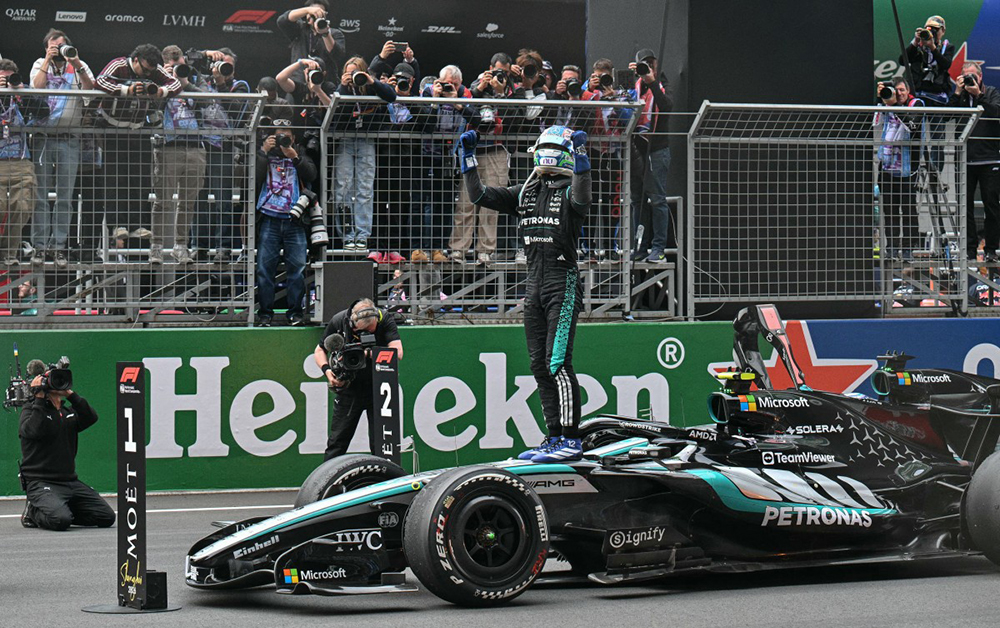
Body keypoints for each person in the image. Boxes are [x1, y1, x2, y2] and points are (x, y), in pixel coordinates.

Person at [460, 125, 591, 462]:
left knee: (557, 363)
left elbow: (583, 196)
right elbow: (479, 196)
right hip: (533, 286)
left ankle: (571, 440)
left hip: (563, 284)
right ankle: (554, 436)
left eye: (554, 148)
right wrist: (468, 159)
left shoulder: (571, 191)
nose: (548, 154)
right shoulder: (526, 192)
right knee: (538, 365)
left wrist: (582, 159)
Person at [94, 44, 182, 253]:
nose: (147, 75)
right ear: (135, 60)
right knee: (115, 178)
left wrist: (161, 91)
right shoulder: (118, 65)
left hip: (138, 129)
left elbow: (176, 83)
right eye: (145, 70)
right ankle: (117, 225)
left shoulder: (154, 70)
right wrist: (127, 90)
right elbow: (100, 81)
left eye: (151, 71)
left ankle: (138, 225)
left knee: (140, 178)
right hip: (112, 129)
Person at [19, 362, 115, 530]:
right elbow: (34, 430)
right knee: (60, 520)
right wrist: (39, 397)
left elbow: (91, 417)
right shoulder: (31, 410)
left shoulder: (67, 412)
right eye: (54, 380)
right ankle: (33, 512)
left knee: (106, 517)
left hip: (70, 481)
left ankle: (60, 509)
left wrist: (70, 395)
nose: (58, 383)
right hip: (40, 482)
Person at [29, 29, 95, 269]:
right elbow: (37, 88)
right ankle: (39, 246)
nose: (58, 50)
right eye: (53, 46)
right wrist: (48, 59)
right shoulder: (40, 64)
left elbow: (90, 91)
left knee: (65, 197)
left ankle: (58, 246)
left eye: (61, 45)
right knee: (40, 196)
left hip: (69, 138)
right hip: (43, 138)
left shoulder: (78, 65)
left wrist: (75, 63)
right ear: (46, 47)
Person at [314, 298, 403, 460]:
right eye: (364, 331)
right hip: (350, 387)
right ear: (354, 325)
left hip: (380, 387)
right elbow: (320, 350)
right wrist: (328, 372)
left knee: (382, 444)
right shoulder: (339, 320)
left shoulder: (385, 318)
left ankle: (385, 475)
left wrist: (369, 353)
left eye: (371, 329)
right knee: (337, 442)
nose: (368, 333)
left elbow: (398, 352)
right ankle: (330, 475)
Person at [451, 53, 518, 265]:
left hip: (497, 150)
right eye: (497, 71)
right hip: (473, 148)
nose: (500, 76)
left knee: (492, 203)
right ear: (489, 68)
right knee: (466, 202)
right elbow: (466, 105)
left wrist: (501, 93)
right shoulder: (476, 83)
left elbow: (515, 115)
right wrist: (482, 87)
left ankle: (485, 251)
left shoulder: (511, 89)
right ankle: (458, 250)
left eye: (504, 73)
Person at [411, 65, 480, 262]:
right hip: (425, 156)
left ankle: (438, 249)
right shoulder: (428, 92)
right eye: (447, 84)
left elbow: (477, 119)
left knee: (444, 205)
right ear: (439, 81)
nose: (450, 87)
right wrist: (435, 101)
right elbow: (426, 124)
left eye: (455, 84)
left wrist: (457, 103)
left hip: (448, 158)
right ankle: (420, 249)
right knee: (422, 204)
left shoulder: (463, 96)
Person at [254, 114, 317, 326]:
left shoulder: (299, 152)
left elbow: (312, 174)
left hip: (295, 220)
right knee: (264, 270)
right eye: (279, 135)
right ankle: (265, 314)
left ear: (293, 138)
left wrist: (295, 157)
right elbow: (251, 177)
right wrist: (263, 151)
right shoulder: (264, 153)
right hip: (269, 218)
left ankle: (295, 313)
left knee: (297, 270)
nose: (282, 139)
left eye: (286, 136)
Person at [192, 47, 251, 263]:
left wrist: (221, 83)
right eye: (220, 65)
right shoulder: (202, 82)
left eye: (229, 67)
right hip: (200, 145)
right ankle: (198, 245)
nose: (224, 69)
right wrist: (206, 53)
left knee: (223, 200)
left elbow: (237, 111)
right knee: (198, 197)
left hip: (223, 148)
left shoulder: (239, 86)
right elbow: (186, 59)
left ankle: (223, 246)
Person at [149, 46, 207, 264]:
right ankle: (156, 246)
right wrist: (165, 81)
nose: (176, 67)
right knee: (162, 200)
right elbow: (151, 105)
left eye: (179, 63)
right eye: (171, 65)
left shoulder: (194, 77)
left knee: (188, 201)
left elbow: (208, 101)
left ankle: (181, 246)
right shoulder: (158, 77)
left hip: (195, 146)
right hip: (168, 146)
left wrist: (184, 81)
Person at [333, 56, 396, 252]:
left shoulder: (370, 86)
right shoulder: (342, 88)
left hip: (367, 139)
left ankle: (362, 235)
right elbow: (334, 112)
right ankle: (347, 235)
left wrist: (371, 81)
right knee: (343, 188)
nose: (352, 77)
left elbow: (391, 96)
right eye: (348, 73)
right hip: (345, 139)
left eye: (355, 73)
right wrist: (343, 86)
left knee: (365, 188)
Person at [948, 63, 1000, 262]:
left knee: (991, 205)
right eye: (965, 76)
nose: (969, 80)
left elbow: (996, 113)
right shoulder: (960, 97)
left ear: (980, 77)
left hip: (989, 158)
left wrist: (979, 95)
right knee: (965, 206)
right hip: (965, 158)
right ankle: (969, 249)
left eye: (972, 76)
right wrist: (957, 92)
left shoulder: (991, 93)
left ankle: (991, 249)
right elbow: (947, 116)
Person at [0, 60, 50, 266]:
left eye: (10, 77)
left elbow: (43, 111)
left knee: (22, 206)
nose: (7, 81)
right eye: (3, 77)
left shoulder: (20, 93)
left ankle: (9, 252)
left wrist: (20, 91)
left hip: (20, 159)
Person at [629, 48, 673, 263]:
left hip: (657, 149)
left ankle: (659, 247)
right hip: (636, 150)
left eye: (650, 63)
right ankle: (640, 246)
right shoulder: (634, 86)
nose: (647, 68)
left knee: (657, 200)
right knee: (637, 200)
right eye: (643, 64)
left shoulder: (662, 84)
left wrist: (653, 82)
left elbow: (667, 106)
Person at [875, 77, 924, 259]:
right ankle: (892, 248)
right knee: (890, 210)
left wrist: (895, 105)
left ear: (908, 90)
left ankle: (909, 248)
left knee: (909, 209)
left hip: (908, 168)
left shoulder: (916, 104)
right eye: (896, 91)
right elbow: (874, 119)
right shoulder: (887, 105)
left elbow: (913, 125)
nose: (899, 94)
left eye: (902, 90)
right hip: (887, 166)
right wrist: (880, 97)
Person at [276, 0, 346, 89]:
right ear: (307, 16)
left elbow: (337, 55)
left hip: (326, 84)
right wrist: (307, 10)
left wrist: (325, 33)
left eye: (319, 14)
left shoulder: (334, 33)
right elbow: (282, 21)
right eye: (313, 15)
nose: (316, 17)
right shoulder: (299, 29)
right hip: (299, 83)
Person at [902, 15, 955, 107]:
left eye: (936, 30)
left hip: (936, 94)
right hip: (917, 91)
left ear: (943, 31)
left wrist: (933, 47)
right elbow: (902, 61)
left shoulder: (947, 47)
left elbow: (946, 64)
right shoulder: (917, 47)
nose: (932, 33)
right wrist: (915, 42)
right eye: (929, 29)